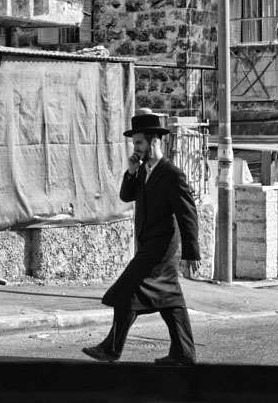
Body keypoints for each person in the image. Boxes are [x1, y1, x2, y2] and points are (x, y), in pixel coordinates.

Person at [81, 111, 201, 366]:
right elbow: (127, 196)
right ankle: (184, 352)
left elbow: (187, 213)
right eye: (134, 143)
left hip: (162, 248)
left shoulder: (171, 174)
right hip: (148, 244)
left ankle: (111, 348)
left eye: (139, 143)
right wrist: (131, 171)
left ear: (154, 141)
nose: (135, 148)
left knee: (127, 289)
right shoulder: (144, 170)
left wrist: (192, 253)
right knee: (170, 301)